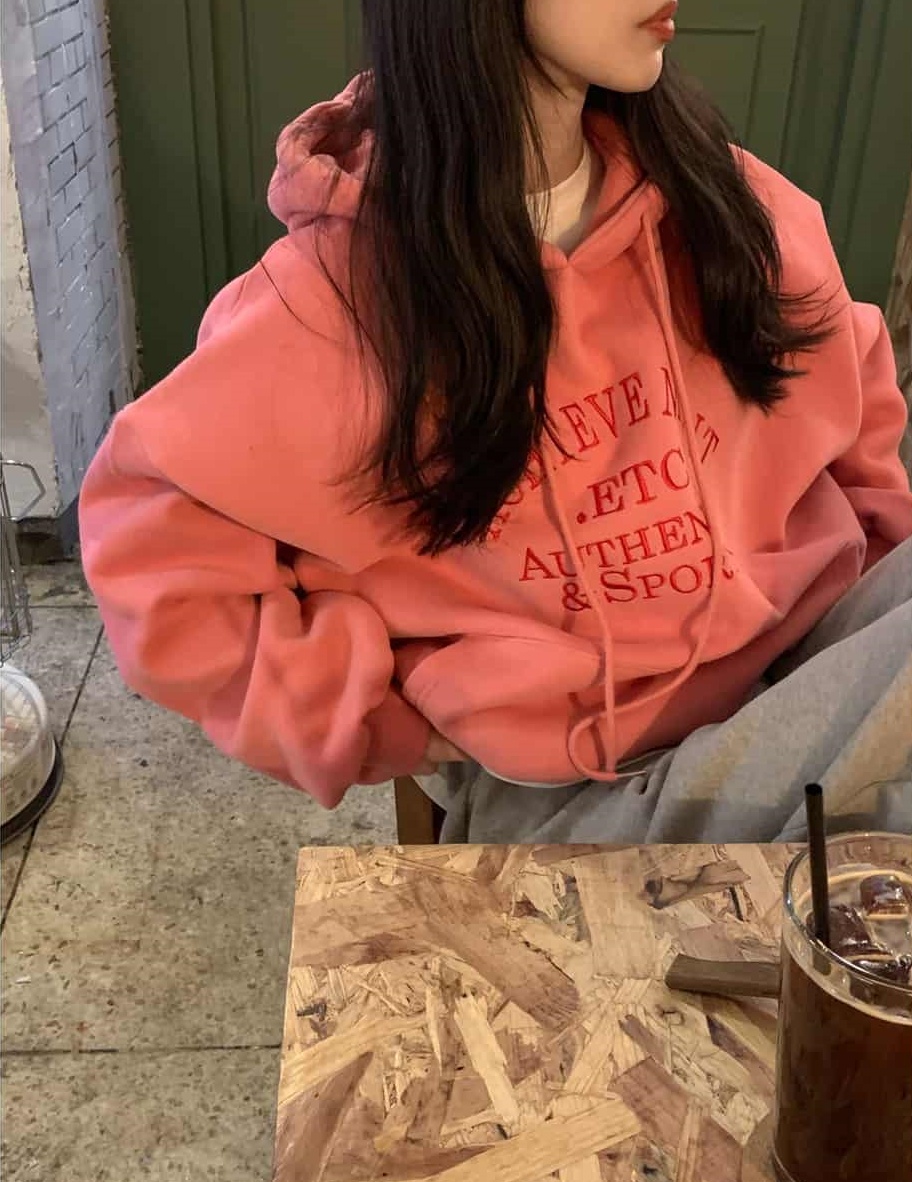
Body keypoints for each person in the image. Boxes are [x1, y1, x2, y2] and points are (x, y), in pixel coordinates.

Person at [79, 1, 912, 843]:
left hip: (814, 657)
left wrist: (871, 572)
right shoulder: (335, 304)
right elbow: (152, 551)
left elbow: (852, 380)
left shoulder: (723, 198)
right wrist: (370, 720)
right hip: (594, 781)